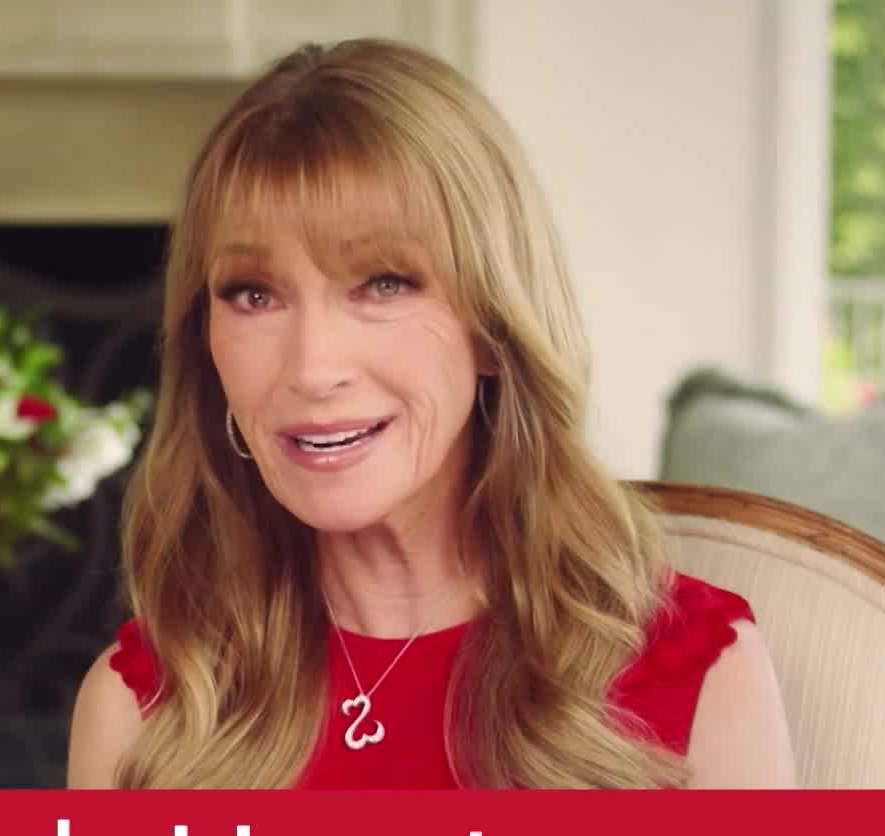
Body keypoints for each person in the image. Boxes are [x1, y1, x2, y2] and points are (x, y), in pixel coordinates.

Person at [67, 38, 796, 790]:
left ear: (493, 325)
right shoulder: (140, 716)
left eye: (383, 283)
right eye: (254, 294)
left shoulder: (696, 677)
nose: (312, 368)